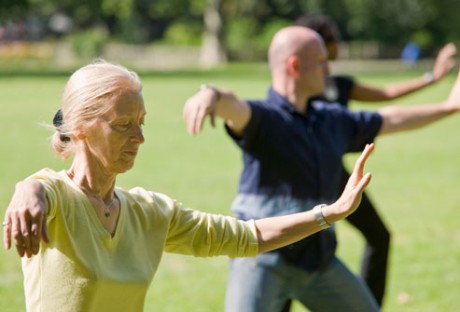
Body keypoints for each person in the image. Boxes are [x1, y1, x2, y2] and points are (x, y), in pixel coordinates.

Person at [2, 60, 375, 312]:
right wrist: (27, 189)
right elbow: (42, 189)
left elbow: (247, 236)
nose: (139, 138)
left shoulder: (148, 213)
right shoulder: (53, 199)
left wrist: (329, 213)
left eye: (141, 123)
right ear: (80, 127)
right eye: (123, 125)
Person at [182, 26, 460, 312]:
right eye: (321, 61)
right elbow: (233, 107)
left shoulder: (331, 120)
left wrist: (450, 107)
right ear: (295, 65)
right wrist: (210, 95)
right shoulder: (264, 120)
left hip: (319, 263)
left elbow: (391, 119)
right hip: (261, 261)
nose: (329, 67)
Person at [286, 14, 458, 308]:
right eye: (332, 40)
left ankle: (366, 304)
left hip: (336, 176)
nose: (337, 45)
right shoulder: (296, 94)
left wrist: (435, 79)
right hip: (300, 178)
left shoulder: (339, 85)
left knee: (377, 237)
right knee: (292, 249)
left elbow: (386, 98)